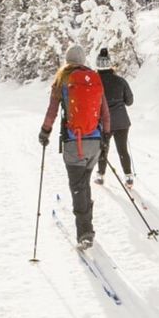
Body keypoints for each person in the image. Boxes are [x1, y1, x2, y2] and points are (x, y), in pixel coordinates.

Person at [38, 45, 111, 250]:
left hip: (74, 143)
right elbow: (105, 112)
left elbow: (52, 111)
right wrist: (105, 136)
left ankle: (85, 232)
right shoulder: (93, 79)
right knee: (84, 184)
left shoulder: (63, 80)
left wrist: (45, 132)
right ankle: (87, 223)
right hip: (95, 143)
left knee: (78, 187)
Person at [94, 48, 134, 188]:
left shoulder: (95, 82)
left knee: (103, 148)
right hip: (122, 121)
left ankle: (100, 175)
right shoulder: (120, 81)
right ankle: (129, 177)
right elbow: (129, 101)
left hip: (105, 122)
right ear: (110, 65)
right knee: (122, 149)